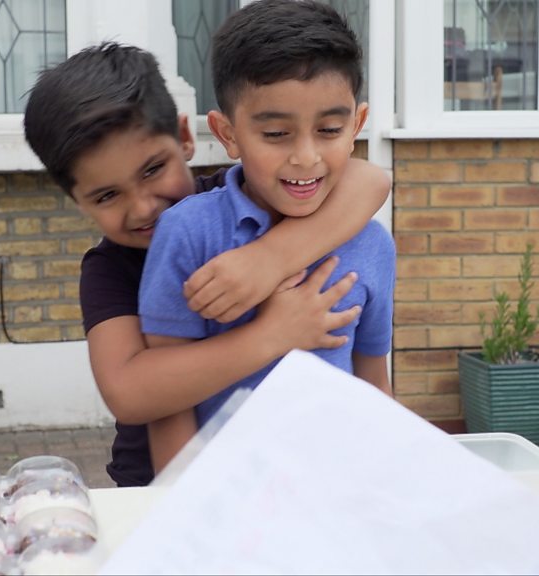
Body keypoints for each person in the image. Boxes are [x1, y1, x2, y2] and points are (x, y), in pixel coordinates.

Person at [23, 42, 390, 487]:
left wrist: (267, 259)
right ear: (76, 200)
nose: (143, 208)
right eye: (106, 195)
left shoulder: (234, 201)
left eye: (153, 170)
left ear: (185, 137)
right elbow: (130, 391)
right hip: (160, 484)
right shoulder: (108, 269)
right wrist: (273, 334)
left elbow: (371, 180)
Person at [139, 0, 396, 472]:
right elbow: (167, 403)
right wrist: (181, 507)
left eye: (329, 130)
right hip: (226, 504)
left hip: (334, 494)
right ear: (228, 133)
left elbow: (373, 381)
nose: (305, 157)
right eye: (276, 133)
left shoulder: (373, 244)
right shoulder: (189, 233)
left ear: (357, 126)